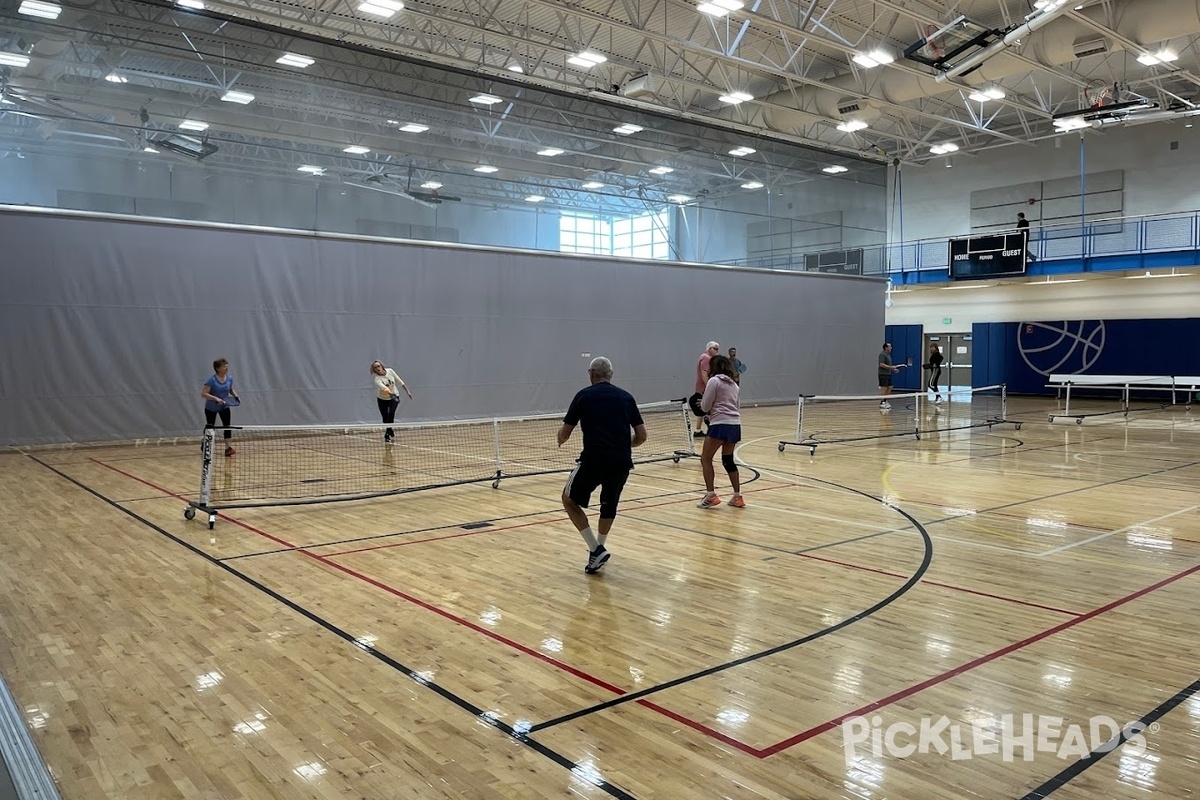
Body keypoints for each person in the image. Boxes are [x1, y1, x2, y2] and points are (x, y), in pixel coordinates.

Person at [557, 356, 648, 575]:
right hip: (621, 461)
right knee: (609, 505)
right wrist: (623, 447)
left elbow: (566, 432)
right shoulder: (626, 397)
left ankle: (595, 548)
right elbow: (642, 436)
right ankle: (597, 552)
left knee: (568, 499)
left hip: (594, 459)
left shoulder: (584, 396)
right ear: (610, 375)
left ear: (592, 374)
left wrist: (560, 438)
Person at [697, 355, 745, 509]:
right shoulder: (735, 386)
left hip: (719, 424)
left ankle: (711, 495)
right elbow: (736, 407)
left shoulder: (714, 381)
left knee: (705, 459)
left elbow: (705, 407)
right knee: (728, 460)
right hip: (735, 424)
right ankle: (737, 497)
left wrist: (704, 404)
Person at [201, 357, 239, 457]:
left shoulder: (229, 378)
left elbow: (230, 389)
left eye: (227, 366)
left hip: (224, 406)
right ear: (218, 368)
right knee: (210, 427)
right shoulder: (211, 380)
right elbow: (204, 394)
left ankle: (228, 448)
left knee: (227, 426)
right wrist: (216, 398)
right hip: (211, 408)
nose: (227, 368)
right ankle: (206, 444)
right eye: (224, 366)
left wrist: (235, 395)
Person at [371, 360, 413, 443]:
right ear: (374, 370)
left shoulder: (390, 371)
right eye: (375, 367)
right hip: (382, 399)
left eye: (378, 366)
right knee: (385, 418)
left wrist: (408, 391)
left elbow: (400, 381)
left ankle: (387, 434)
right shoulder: (377, 379)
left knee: (391, 414)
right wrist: (390, 394)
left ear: (382, 366)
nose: (377, 368)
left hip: (394, 397)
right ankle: (390, 430)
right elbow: (384, 388)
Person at [690, 341, 720, 436]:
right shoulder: (706, 358)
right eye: (715, 349)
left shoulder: (705, 357)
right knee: (707, 408)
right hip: (703, 388)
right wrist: (709, 387)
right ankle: (712, 429)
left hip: (702, 388)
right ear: (709, 348)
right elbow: (704, 374)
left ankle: (698, 430)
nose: (717, 351)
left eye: (717, 349)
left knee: (703, 408)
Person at [878, 343, 899, 410]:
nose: (891, 348)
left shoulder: (888, 356)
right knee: (884, 388)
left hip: (888, 374)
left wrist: (893, 369)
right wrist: (891, 367)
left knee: (890, 387)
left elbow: (889, 366)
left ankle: (885, 400)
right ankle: (882, 402)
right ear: (886, 348)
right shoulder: (882, 354)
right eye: (890, 346)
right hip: (883, 374)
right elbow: (881, 364)